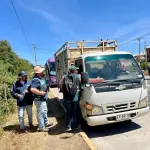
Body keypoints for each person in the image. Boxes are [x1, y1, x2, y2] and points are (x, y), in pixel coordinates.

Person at [30, 66, 53, 132]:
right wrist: (40, 93)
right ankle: (41, 127)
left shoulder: (41, 78)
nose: (43, 72)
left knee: (45, 111)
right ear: (38, 73)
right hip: (39, 99)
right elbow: (32, 89)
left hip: (42, 99)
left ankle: (46, 123)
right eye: (42, 71)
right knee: (41, 113)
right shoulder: (36, 80)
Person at [59, 65, 81, 132]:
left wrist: (65, 92)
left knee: (68, 112)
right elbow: (81, 83)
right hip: (75, 98)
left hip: (66, 98)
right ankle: (76, 126)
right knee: (75, 112)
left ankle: (69, 127)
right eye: (76, 70)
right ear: (74, 71)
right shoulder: (78, 76)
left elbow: (60, 85)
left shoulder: (64, 77)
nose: (77, 71)